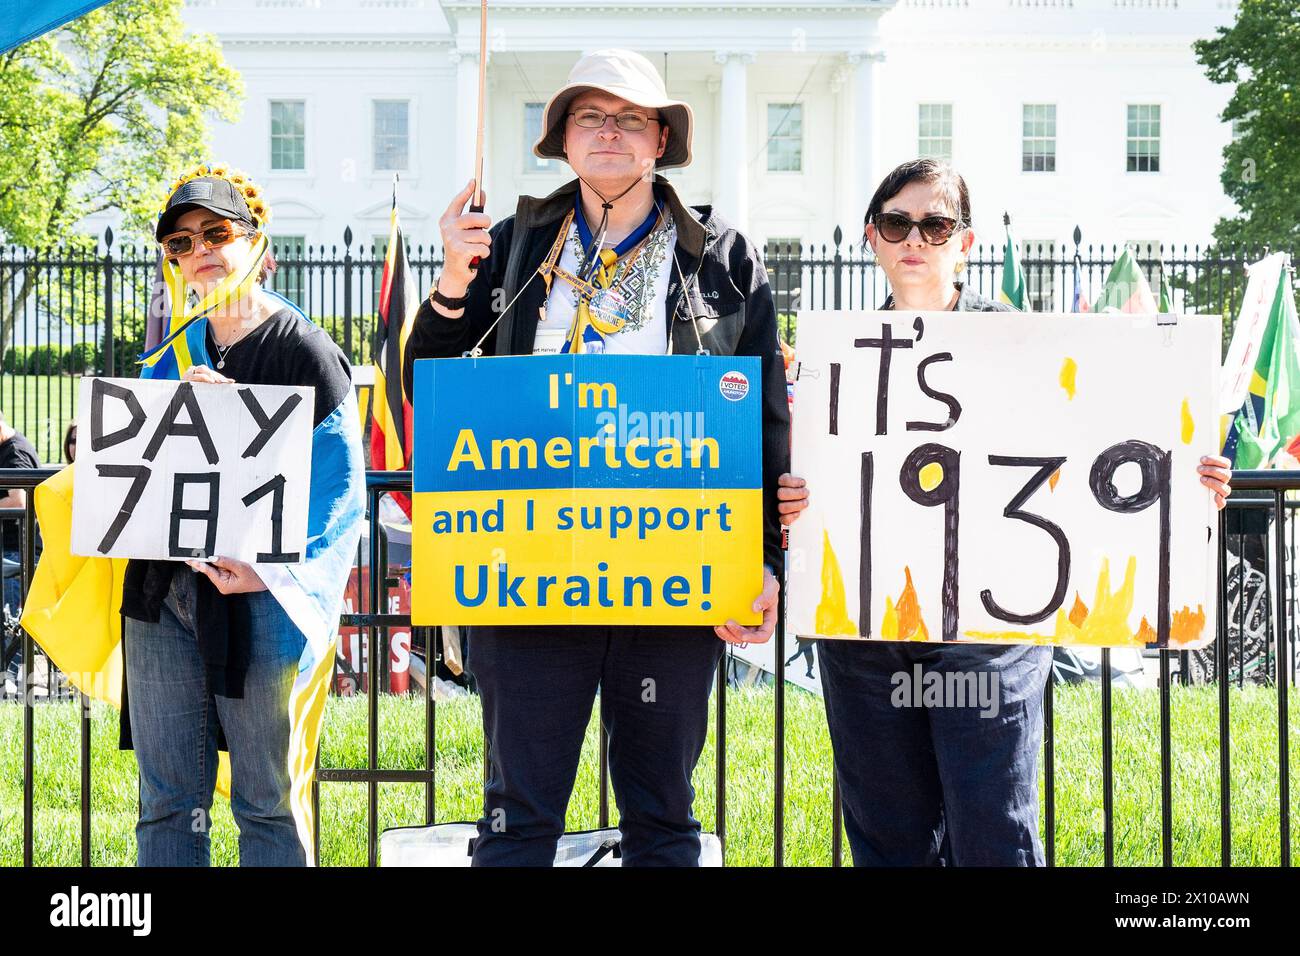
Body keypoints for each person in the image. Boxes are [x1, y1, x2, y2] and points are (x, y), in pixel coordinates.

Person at [777, 158, 1233, 866]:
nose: (915, 240)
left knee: (994, 832)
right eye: (898, 223)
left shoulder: (1025, 342)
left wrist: (1187, 476)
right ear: (871, 237)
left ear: (965, 242)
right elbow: (814, 472)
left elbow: (1109, 446)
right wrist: (798, 494)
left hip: (990, 629)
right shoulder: (837, 352)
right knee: (888, 838)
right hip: (865, 634)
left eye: (936, 224)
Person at [403, 49, 790, 866]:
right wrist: (448, 281)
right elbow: (427, 385)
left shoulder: (719, 255)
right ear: (564, 140)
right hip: (530, 577)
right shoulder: (509, 245)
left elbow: (764, 419)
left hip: (675, 571)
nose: (608, 132)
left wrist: (760, 558)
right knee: (518, 814)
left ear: (659, 140)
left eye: (629, 119)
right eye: (590, 117)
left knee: (662, 813)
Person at [119, 164, 365, 866]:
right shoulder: (169, 354)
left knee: (266, 799)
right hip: (163, 594)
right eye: (179, 242)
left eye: (215, 233)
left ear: (257, 244)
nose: (198, 251)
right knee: (167, 798)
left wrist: (268, 571)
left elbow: (341, 489)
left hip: (262, 601)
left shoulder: (306, 351)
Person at [0, 412, 41, 614]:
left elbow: (19, 501)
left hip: (15, 552)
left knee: (9, 625)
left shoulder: (16, 453)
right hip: (12, 550)